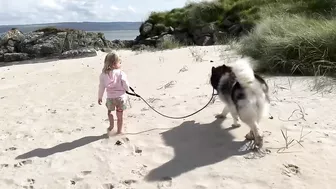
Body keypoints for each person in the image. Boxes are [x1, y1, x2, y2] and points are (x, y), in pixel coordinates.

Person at [98, 52, 130, 135]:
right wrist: (127, 90)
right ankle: (119, 131)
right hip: (120, 98)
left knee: (110, 113)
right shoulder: (121, 73)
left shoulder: (103, 75)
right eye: (120, 62)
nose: (120, 64)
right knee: (120, 116)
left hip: (110, 99)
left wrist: (100, 97)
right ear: (114, 64)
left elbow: (101, 87)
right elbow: (125, 84)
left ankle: (111, 126)